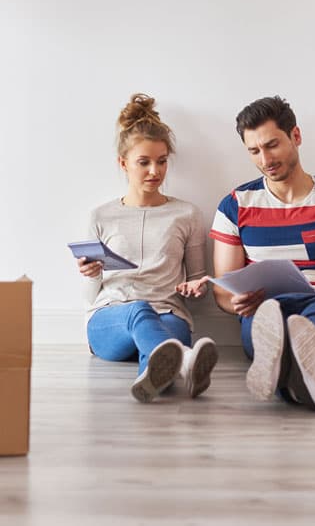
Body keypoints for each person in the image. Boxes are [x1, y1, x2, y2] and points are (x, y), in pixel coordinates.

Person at [208, 96, 315, 414]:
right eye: (254, 151)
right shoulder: (235, 205)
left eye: (272, 145)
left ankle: (285, 363)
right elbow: (223, 291)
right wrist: (236, 302)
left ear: (295, 136)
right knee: (267, 322)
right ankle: (300, 376)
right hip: (264, 307)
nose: (265, 159)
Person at [80, 93, 216, 403]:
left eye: (162, 161)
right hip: (112, 319)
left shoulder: (187, 215)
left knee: (161, 350)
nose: (155, 171)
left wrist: (196, 287)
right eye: (144, 162)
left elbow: (198, 281)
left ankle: (151, 380)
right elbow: (90, 297)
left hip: (168, 313)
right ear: (123, 163)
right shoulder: (100, 216)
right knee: (138, 310)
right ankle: (187, 361)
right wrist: (92, 274)